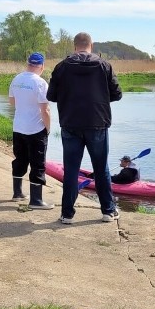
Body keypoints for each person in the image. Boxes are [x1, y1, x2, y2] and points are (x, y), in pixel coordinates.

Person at [47, 32, 122, 224]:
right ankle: (108, 211)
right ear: (91, 45)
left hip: (70, 123)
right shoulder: (104, 65)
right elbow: (117, 94)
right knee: (101, 168)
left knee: (71, 169)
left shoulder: (62, 67)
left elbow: (51, 95)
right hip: (97, 123)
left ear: (74, 46)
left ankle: (67, 214)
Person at [8, 52, 53, 209]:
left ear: (28, 64)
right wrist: (47, 128)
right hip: (35, 129)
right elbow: (45, 110)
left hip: (18, 127)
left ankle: (17, 193)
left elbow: (12, 102)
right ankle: (36, 200)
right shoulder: (40, 83)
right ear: (41, 66)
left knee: (19, 159)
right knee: (37, 163)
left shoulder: (17, 79)